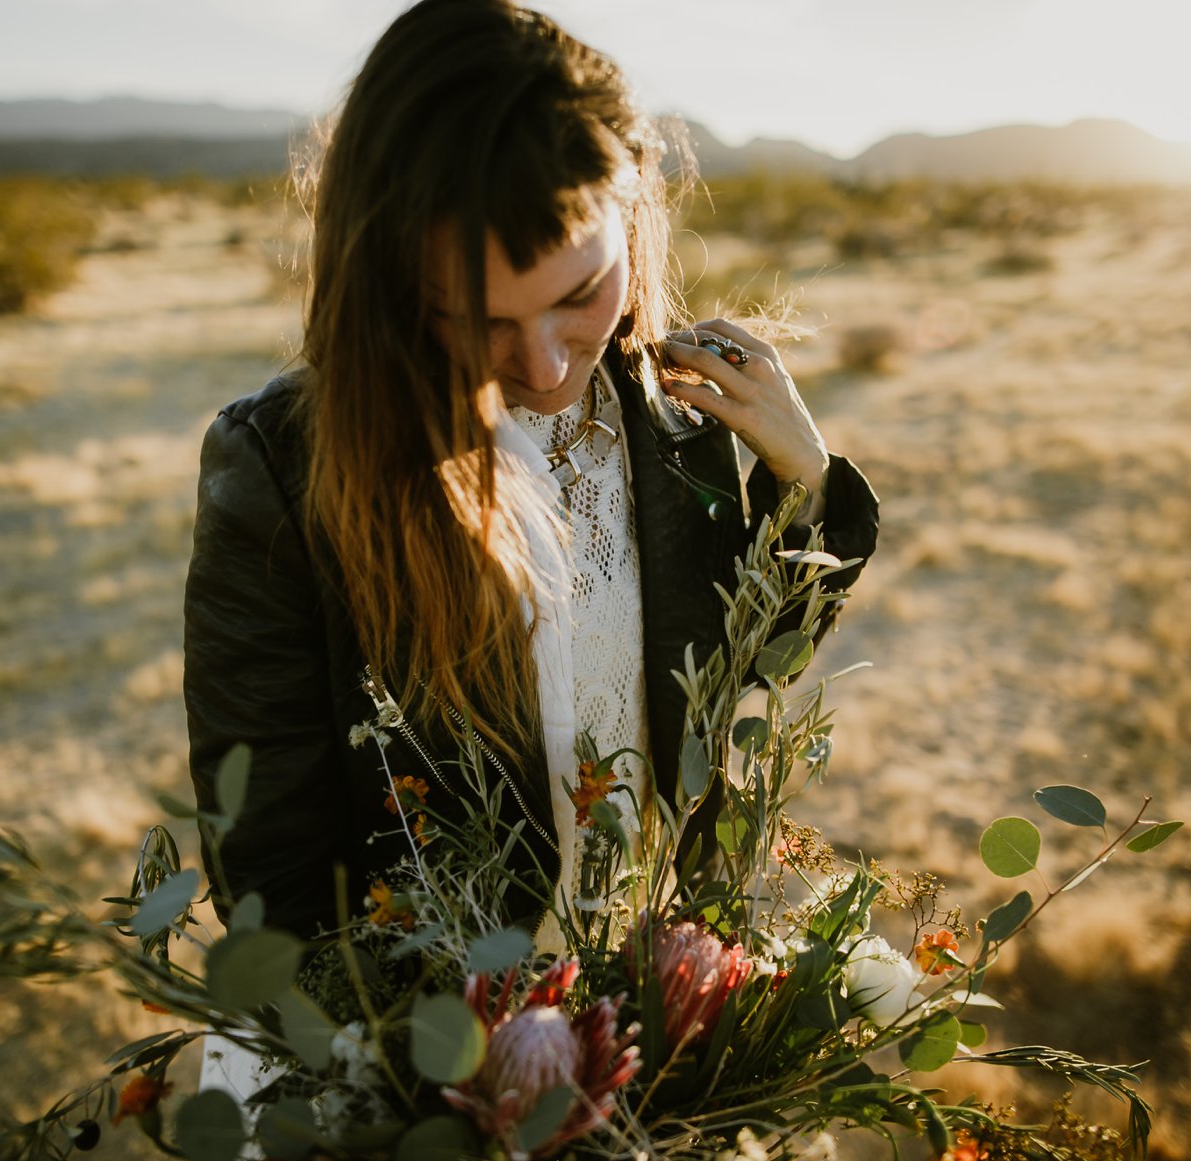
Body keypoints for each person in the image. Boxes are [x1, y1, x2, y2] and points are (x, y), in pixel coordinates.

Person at [183, 0, 878, 951]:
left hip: (666, 993)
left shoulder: (676, 412)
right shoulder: (284, 468)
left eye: (579, 295)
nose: (548, 367)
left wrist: (804, 484)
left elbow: (741, 672)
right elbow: (274, 870)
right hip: (443, 1047)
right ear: (385, 280)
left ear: (634, 208)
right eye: (477, 321)